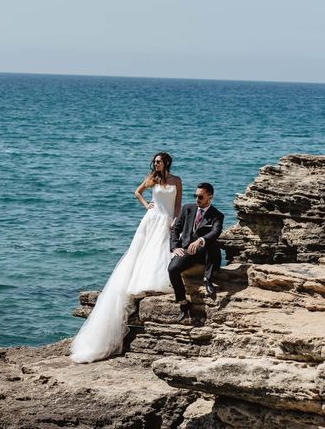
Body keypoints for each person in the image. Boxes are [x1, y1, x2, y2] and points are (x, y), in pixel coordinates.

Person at [70, 152, 182, 363]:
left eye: (158, 161)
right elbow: (137, 192)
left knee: (161, 250)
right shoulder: (152, 178)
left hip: (166, 219)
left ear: (166, 162)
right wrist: (146, 205)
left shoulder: (176, 180)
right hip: (152, 218)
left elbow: (178, 203)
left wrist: (175, 220)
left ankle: (159, 279)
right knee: (145, 251)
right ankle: (144, 281)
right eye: (155, 162)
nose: (156, 164)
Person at [168, 182, 224, 322]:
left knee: (212, 243)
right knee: (172, 269)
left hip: (206, 251)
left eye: (200, 196)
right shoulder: (187, 208)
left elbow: (215, 232)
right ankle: (183, 303)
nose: (197, 199)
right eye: (195, 196)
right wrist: (175, 247)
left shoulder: (217, 215)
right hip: (187, 249)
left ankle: (208, 279)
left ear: (209, 197)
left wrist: (201, 240)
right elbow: (175, 229)